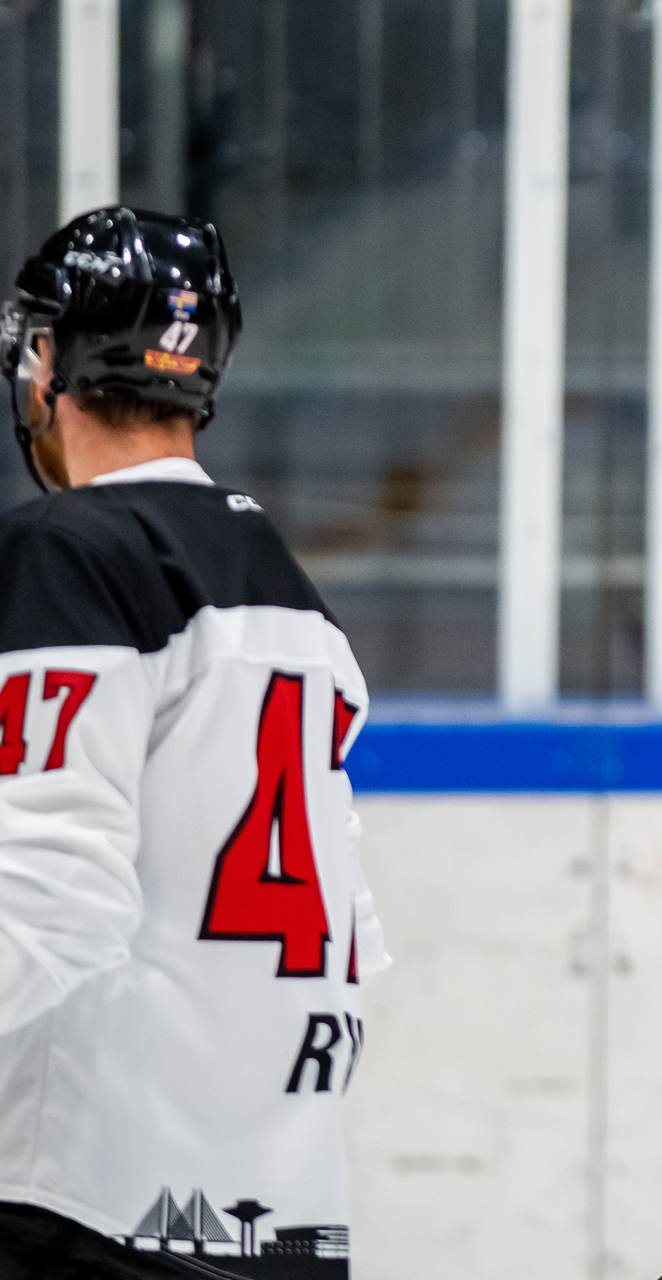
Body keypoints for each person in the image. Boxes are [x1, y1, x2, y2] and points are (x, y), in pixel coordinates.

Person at [0, 207, 384, 1278]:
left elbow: (50, 891)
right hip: (281, 1217)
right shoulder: (296, 598)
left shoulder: (68, 553)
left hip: (83, 1206)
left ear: (49, 362)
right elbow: (354, 933)